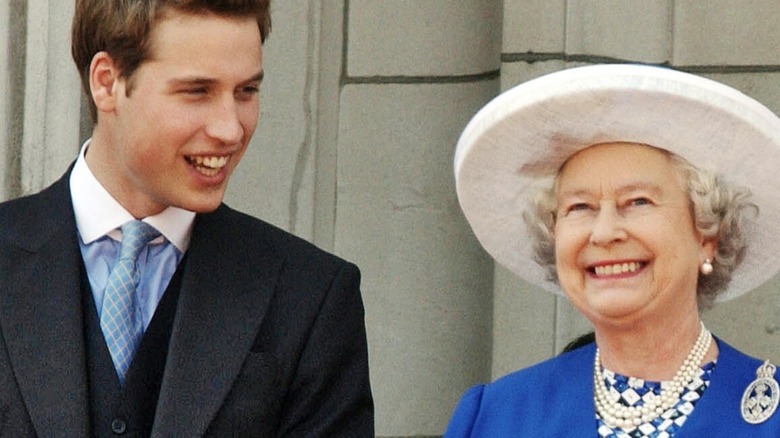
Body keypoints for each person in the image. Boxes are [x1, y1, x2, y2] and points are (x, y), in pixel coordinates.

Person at [0, 0, 373, 436]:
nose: (230, 129)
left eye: (246, 91)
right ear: (107, 83)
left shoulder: (313, 297)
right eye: (198, 91)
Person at [444, 64, 780, 436]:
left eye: (637, 201)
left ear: (706, 236)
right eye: (580, 207)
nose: (603, 233)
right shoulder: (495, 417)